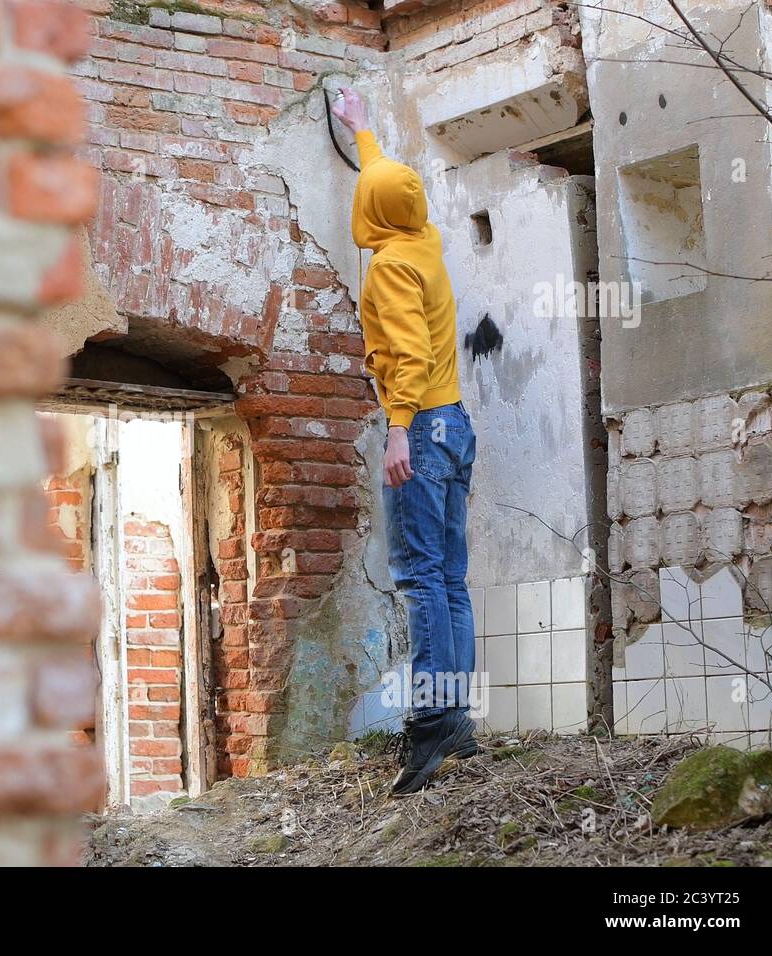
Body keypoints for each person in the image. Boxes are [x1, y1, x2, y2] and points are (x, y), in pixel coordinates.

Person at [331, 88, 478, 796]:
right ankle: (456, 716)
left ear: (370, 212)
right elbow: (391, 183)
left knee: (419, 578)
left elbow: (410, 355)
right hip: (457, 424)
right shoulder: (420, 237)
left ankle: (430, 723)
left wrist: (397, 433)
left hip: (420, 423)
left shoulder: (390, 265)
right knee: (449, 579)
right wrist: (363, 130)